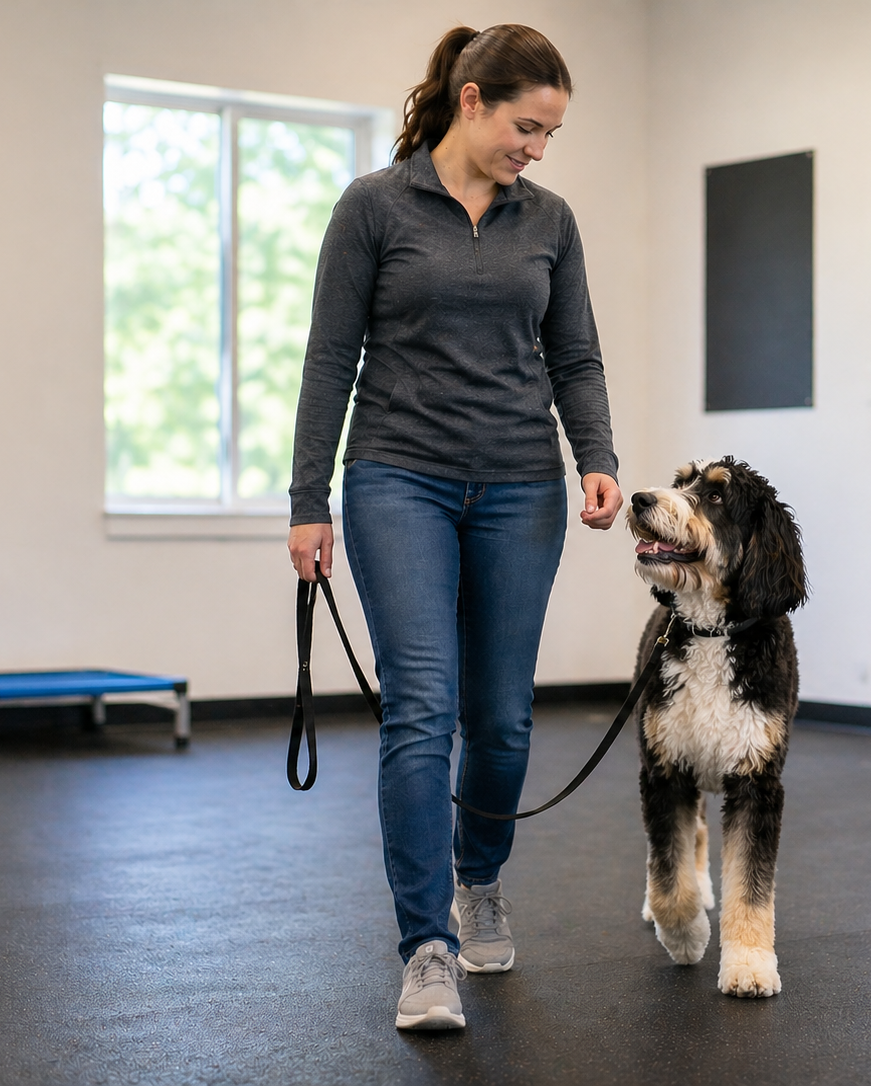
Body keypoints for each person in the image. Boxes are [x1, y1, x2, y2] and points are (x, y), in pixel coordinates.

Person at [286, 24, 622, 1031]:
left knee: (502, 717)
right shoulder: (373, 208)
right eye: (527, 126)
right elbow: (326, 359)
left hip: (521, 486)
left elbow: (575, 358)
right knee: (421, 704)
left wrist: (595, 458)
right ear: (470, 100)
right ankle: (425, 946)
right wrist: (308, 502)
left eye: (551, 133)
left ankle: (479, 879)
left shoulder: (549, 220)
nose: (538, 148)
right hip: (398, 479)